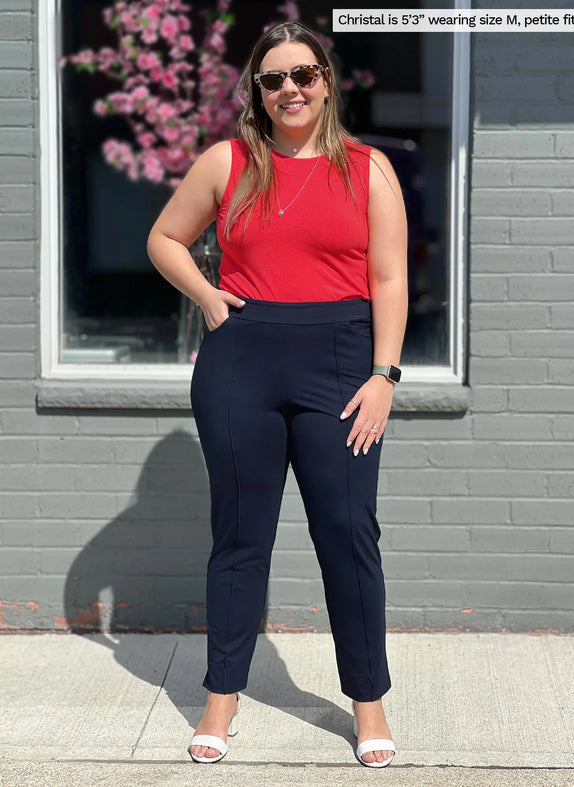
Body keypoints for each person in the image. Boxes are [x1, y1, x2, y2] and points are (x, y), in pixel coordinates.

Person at [147, 20, 408, 768]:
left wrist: (384, 376)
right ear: (256, 92)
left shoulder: (368, 169)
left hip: (342, 363)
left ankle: (368, 704)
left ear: (326, 80)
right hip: (242, 363)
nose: (289, 89)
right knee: (240, 537)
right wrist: (208, 295)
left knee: (349, 537)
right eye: (273, 79)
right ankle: (220, 699)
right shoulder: (226, 163)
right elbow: (164, 238)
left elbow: (389, 279)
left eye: (303, 74)